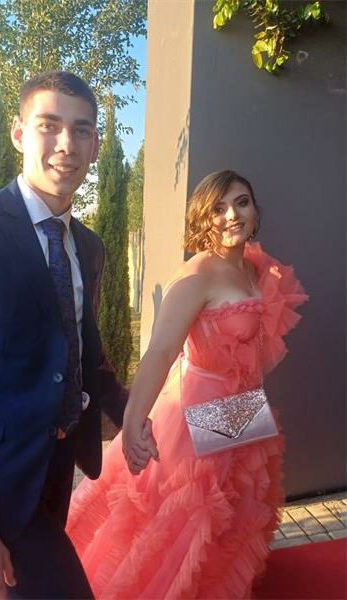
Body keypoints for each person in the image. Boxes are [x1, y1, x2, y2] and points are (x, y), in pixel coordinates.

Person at [0, 71, 156, 600]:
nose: (67, 144)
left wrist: (130, 413)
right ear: (20, 133)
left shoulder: (87, 246)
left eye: (82, 130)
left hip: (55, 471)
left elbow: (83, 354)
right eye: (49, 125)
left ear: (95, 145)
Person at [66, 170, 308, 599]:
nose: (232, 215)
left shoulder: (256, 268)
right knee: (185, 523)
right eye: (219, 208)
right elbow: (160, 351)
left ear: (255, 211)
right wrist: (134, 422)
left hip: (243, 410)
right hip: (198, 413)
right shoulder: (197, 275)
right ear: (203, 218)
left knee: (232, 516)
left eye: (241, 203)